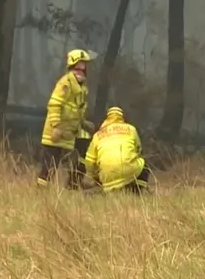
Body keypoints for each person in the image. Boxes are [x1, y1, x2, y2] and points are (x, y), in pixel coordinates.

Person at [37, 49, 95, 189]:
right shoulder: (65, 84)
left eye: (84, 67)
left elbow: (76, 109)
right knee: (50, 164)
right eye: (78, 67)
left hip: (70, 132)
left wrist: (83, 123)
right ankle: (41, 190)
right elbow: (55, 105)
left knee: (83, 155)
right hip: (56, 132)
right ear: (71, 66)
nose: (81, 70)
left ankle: (74, 184)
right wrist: (56, 126)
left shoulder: (81, 87)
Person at [83, 107, 151, 194]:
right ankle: (137, 192)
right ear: (122, 117)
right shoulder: (131, 129)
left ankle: (106, 190)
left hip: (106, 176)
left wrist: (91, 175)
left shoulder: (97, 135)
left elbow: (89, 160)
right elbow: (139, 149)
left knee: (99, 170)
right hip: (129, 171)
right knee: (143, 164)